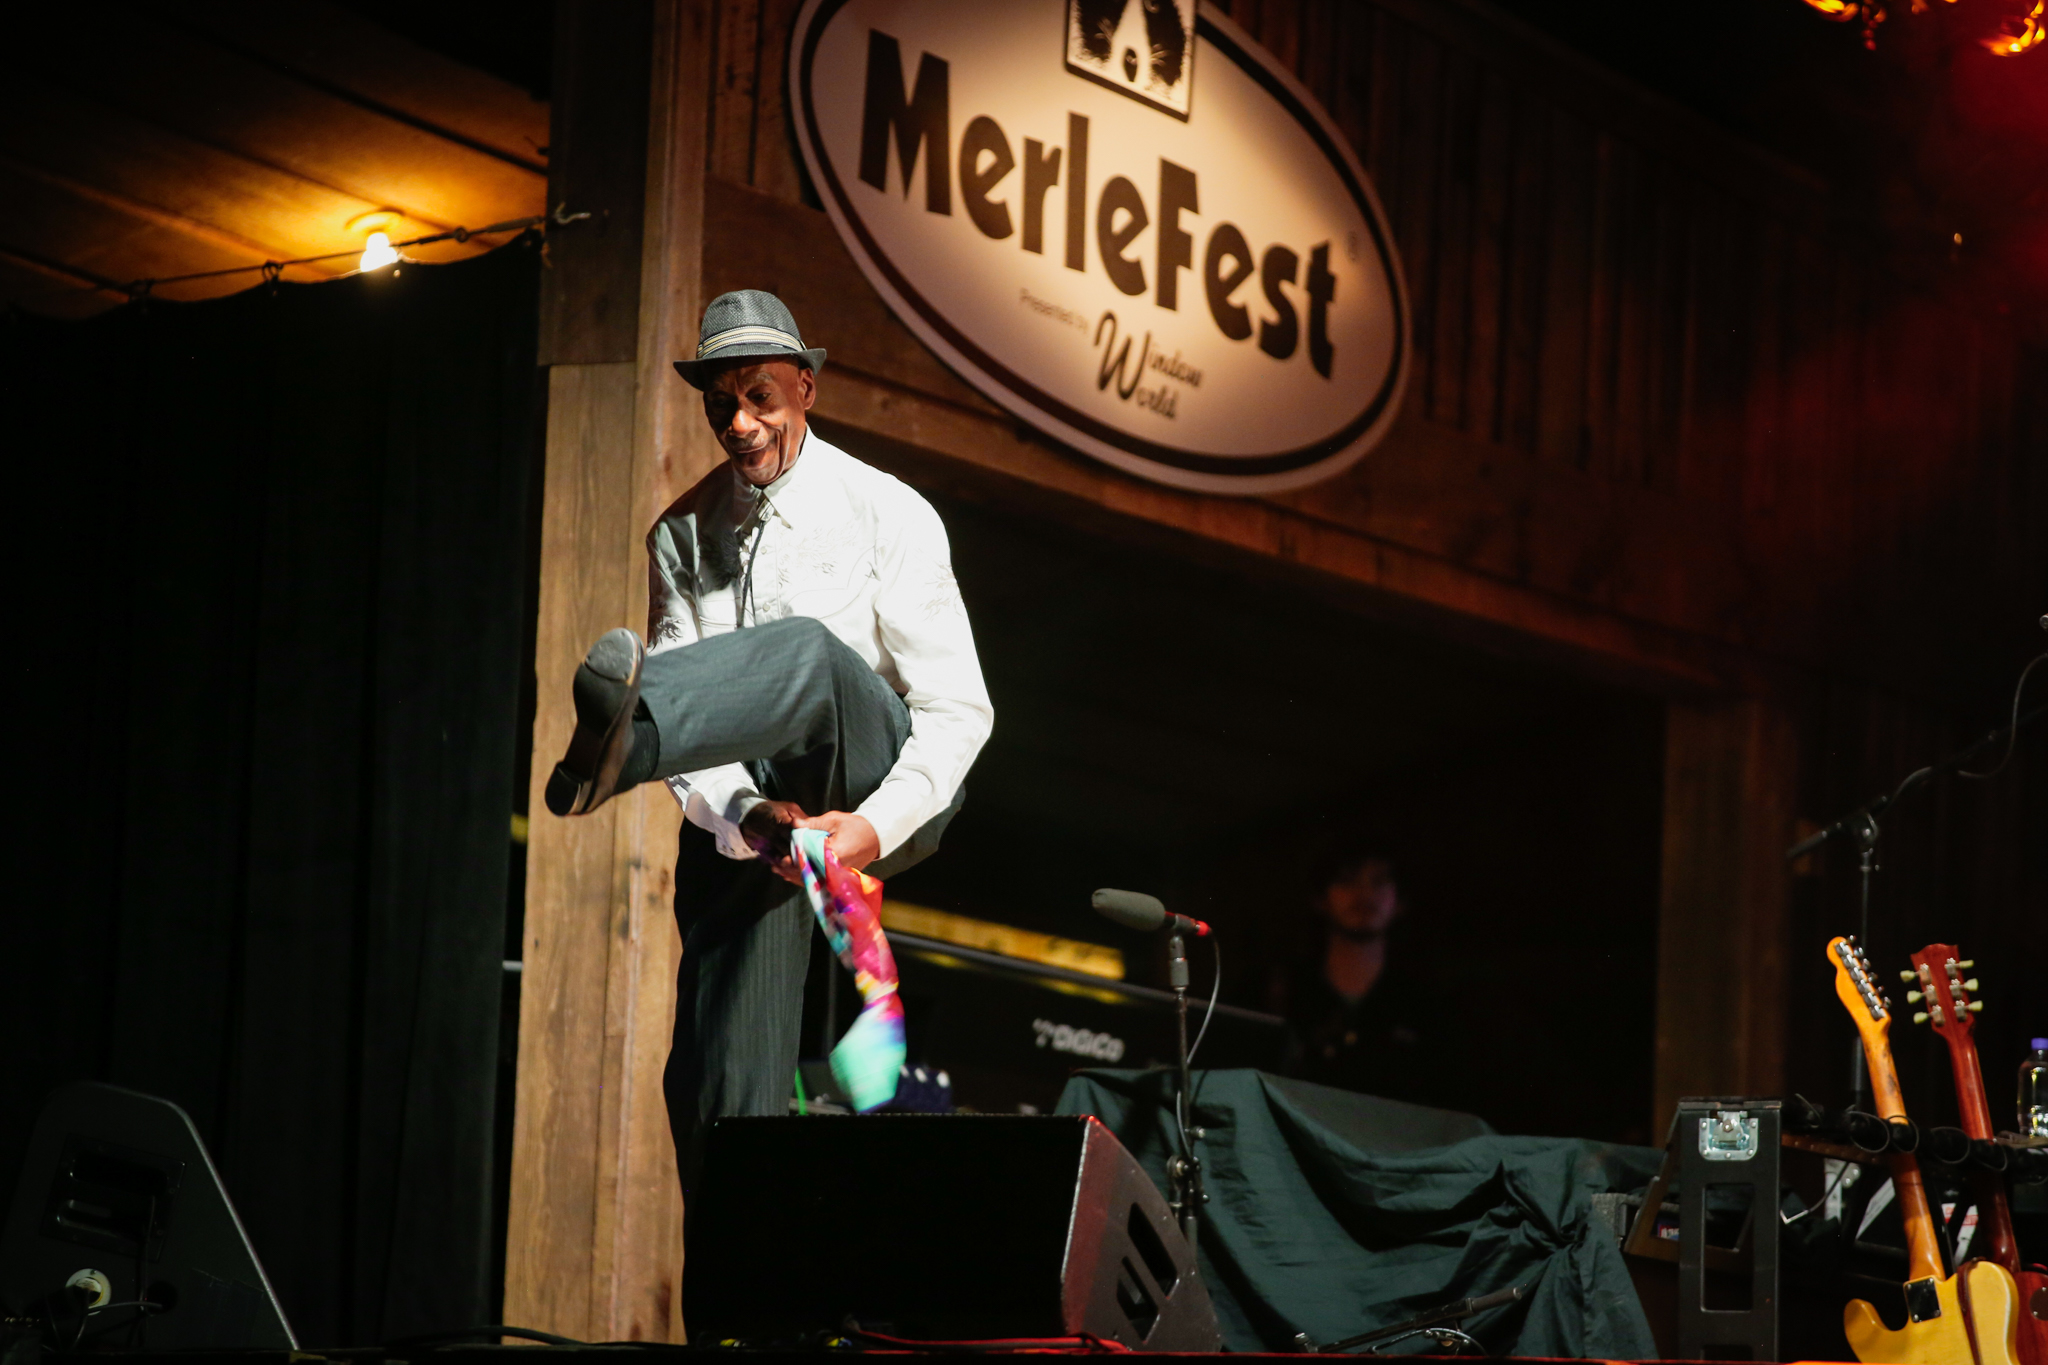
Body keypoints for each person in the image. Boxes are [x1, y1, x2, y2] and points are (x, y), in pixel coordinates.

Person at [543, 290, 993, 1193]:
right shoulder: (678, 533)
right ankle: (733, 1333)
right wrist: (747, 813)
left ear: (808, 389)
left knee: (807, 655)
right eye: (721, 407)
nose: (741, 425)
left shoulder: (885, 509)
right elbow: (696, 710)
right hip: (756, 818)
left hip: (879, 772)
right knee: (716, 1089)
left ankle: (627, 747)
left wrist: (871, 828)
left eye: (761, 398)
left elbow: (959, 710)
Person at [1267, 849, 1428, 1099]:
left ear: (1400, 900)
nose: (1364, 894)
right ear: (1321, 898)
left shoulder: (1425, 1001)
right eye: (1346, 880)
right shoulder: (1282, 991)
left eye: (1379, 881)